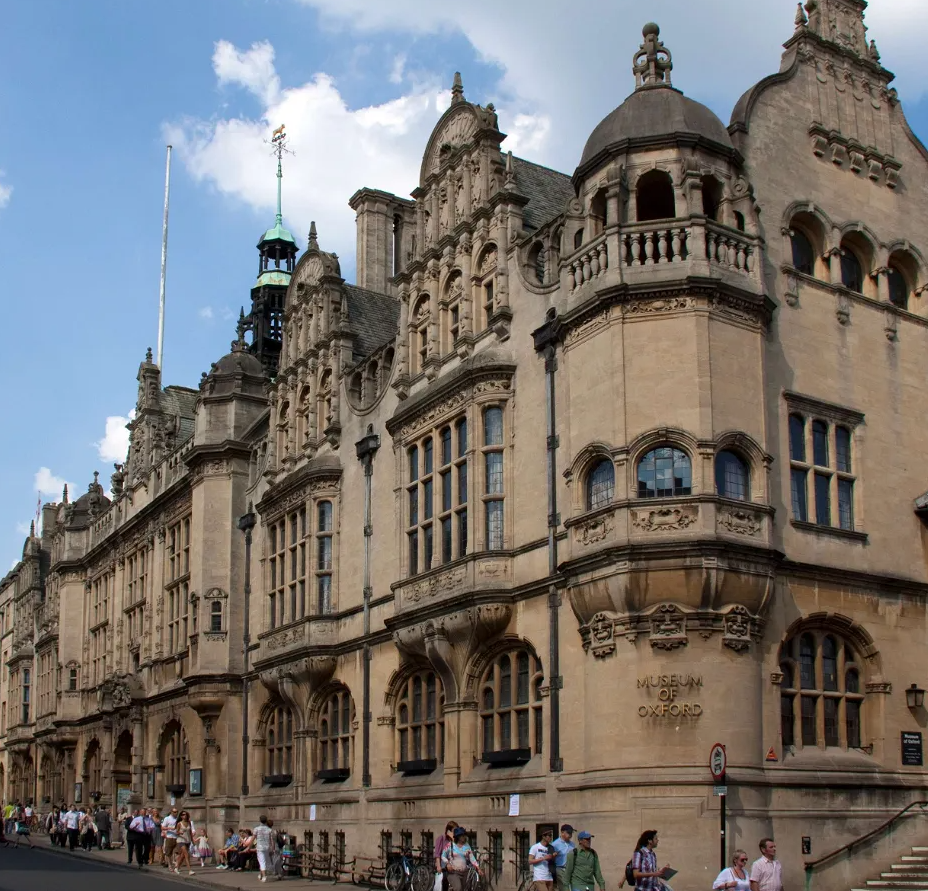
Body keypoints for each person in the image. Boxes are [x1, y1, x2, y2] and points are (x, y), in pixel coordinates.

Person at [441, 827, 481, 891]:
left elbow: (472, 857)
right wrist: (448, 863)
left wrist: (478, 868)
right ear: (458, 837)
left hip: (465, 873)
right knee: (458, 888)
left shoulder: (466, 845)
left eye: (464, 835)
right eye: (462, 835)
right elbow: (443, 856)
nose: (464, 837)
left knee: (463, 889)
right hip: (453, 873)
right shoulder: (450, 845)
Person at [435, 821, 459, 891]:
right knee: (443, 885)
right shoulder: (441, 838)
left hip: (452, 865)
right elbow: (437, 854)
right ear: (449, 830)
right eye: (454, 831)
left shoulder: (454, 841)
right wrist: (438, 866)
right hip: (443, 866)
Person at [551, 825, 575, 891]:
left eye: (571, 833)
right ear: (562, 832)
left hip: (571, 870)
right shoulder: (555, 844)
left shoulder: (572, 844)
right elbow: (550, 858)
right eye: (568, 833)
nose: (570, 835)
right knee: (565, 888)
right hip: (561, 869)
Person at [253, 814, 275, 882]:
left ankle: (264, 876)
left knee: (262, 862)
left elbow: (253, 838)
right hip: (267, 847)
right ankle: (261, 875)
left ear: (260, 820)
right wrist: (272, 848)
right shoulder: (269, 830)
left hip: (260, 847)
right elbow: (272, 840)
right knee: (263, 861)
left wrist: (248, 847)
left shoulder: (256, 829)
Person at [174, 811, 195, 875]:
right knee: (186, 854)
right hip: (181, 840)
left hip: (187, 840)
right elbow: (176, 832)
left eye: (185, 815)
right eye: (183, 815)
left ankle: (177, 868)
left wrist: (192, 840)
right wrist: (179, 833)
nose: (184, 816)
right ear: (181, 816)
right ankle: (190, 870)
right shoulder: (179, 824)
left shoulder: (189, 823)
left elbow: (190, 832)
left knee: (183, 856)